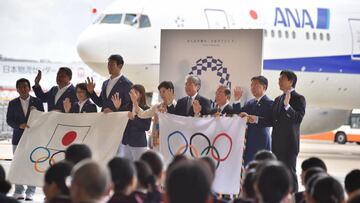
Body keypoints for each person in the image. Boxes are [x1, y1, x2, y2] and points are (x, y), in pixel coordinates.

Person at [258, 70, 306, 192]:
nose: (279, 81)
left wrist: (287, 106)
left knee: (290, 174)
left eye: (282, 79)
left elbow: (298, 119)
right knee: (277, 174)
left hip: (289, 145)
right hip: (276, 144)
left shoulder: (299, 98)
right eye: (279, 79)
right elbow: (272, 121)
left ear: (290, 81)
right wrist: (255, 119)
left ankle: (293, 199)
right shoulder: (277, 99)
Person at [6, 78, 44, 200]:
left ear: (29, 88)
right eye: (20, 87)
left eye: (25, 87)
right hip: (17, 138)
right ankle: (18, 190)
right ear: (17, 89)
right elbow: (9, 120)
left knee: (31, 164)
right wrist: (19, 125)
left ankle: (30, 192)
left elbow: (42, 119)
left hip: (33, 138)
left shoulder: (37, 102)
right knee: (17, 164)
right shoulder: (12, 103)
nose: (23, 89)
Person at [233, 76, 273, 166]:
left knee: (261, 169)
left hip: (262, 142)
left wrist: (257, 119)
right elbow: (238, 116)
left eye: (256, 85)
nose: (252, 88)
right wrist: (237, 100)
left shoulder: (270, 103)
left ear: (264, 87)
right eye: (251, 85)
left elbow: (272, 121)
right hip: (249, 142)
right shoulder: (250, 103)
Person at [132, 81, 176, 149]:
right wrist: (135, 102)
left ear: (171, 91)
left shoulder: (177, 105)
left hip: (171, 141)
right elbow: (142, 114)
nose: (162, 94)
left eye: (164, 91)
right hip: (157, 141)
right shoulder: (157, 106)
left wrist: (170, 105)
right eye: (160, 92)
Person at [117, 84, 151, 160]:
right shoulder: (126, 107)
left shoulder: (147, 109)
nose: (132, 94)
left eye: (135, 92)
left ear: (141, 94)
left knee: (139, 168)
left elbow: (146, 127)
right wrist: (118, 108)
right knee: (126, 168)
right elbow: (120, 120)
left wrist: (133, 119)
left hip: (138, 144)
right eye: (131, 92)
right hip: (126, 142)